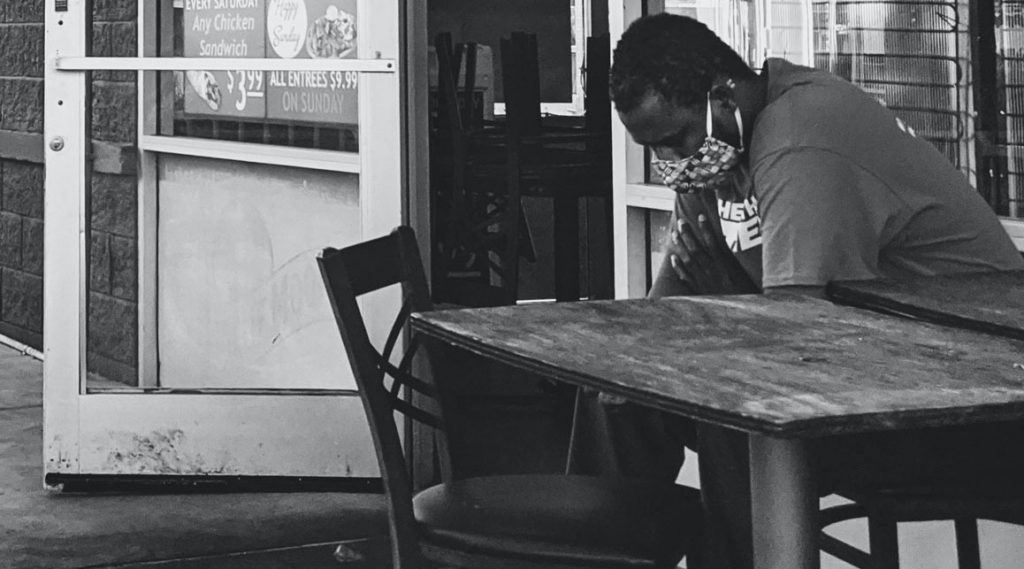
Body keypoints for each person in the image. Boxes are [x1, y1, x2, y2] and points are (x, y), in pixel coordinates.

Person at [584, 12, 1024, 569]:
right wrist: (635, 363)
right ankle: (583, 556)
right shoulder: (719, 151)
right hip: (870, 374)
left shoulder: (800, 139)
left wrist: (721, 293)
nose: (669, 164)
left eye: (674, 140)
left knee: (733, 402)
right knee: (619, 395)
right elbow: (668, 310)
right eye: (656, 150)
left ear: (722, 95)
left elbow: (793, 340)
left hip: (968, 408)